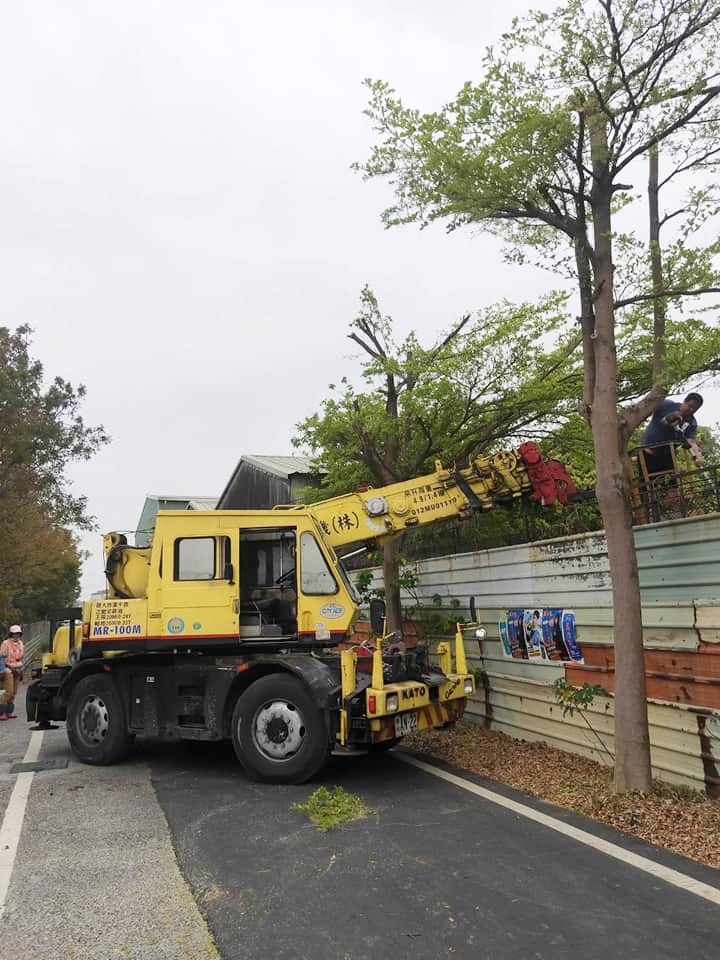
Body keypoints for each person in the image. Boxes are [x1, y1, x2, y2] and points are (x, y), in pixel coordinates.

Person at [639, 392, 704, 476]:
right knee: (647, 482)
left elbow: (691, 440)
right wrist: (671, 416)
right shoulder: (667, 405)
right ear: (684, 401)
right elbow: (648, 408)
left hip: (668, 455)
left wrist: (698, 455)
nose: (691, 410)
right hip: (647, 452)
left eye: (695, 409)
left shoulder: (692, 423)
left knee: (672, 482)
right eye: (690, 406)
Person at [0, 625, 25, 719]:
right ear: (11, 634)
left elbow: (21, 658)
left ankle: (9, 712)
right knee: (9, 692)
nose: (16, 635)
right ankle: (2, 712)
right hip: (8, 669)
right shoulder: (5, 643)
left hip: (17, 669)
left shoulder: (20, 643)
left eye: (18, 633)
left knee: (14, 692)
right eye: (14, 633)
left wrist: (21, 671)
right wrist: (2, 670)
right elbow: (1, 658)